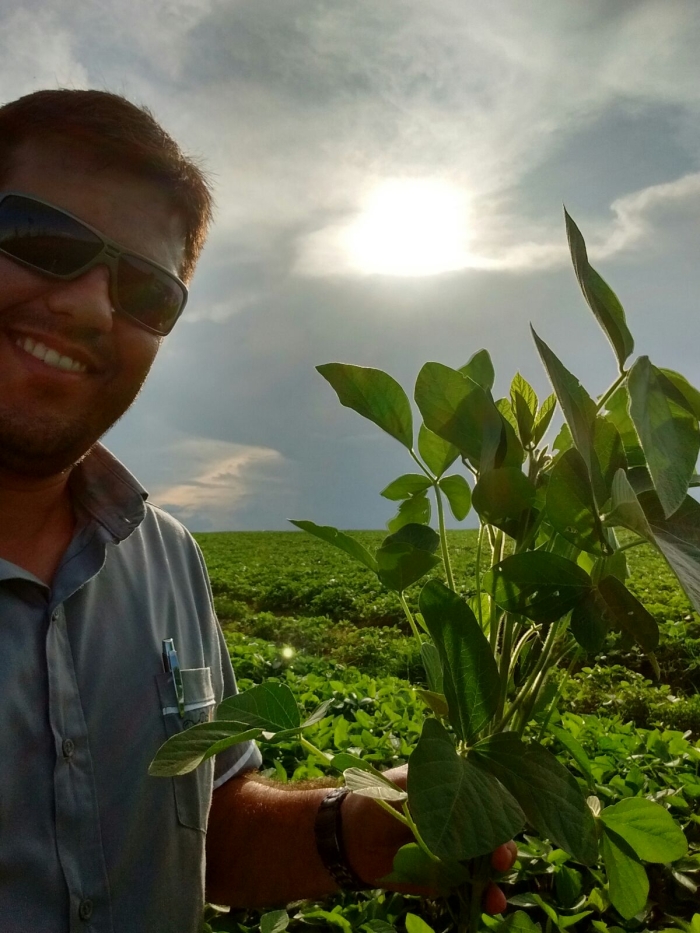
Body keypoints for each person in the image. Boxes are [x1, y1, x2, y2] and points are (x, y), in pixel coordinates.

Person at [0, 88, 516, 932]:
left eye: (147, 291)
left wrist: (361, 827)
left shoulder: (164, 558)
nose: (93, 306)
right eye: (44, 241)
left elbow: (209, 835)